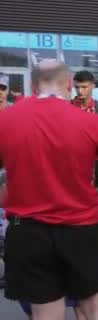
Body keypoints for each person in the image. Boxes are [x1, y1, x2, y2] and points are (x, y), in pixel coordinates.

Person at [0, 60, 98, 320]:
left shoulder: (5, 119)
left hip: (28, 230)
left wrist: (6, 197)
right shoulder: (91, 122)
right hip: (82, 227)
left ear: (32, 85)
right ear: (68, 84)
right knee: (94, 305)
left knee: (45, 311)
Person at [72, 71, 98, 217]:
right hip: (73, 163)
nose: (80, 91)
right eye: (77, 87)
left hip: (96, 164)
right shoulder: (68, 107)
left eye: (84, 87)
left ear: (92, 87)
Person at [0, 73, 9, 290]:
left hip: (9, 175)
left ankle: (11, 273)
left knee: (8, 229)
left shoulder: (14, 113)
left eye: (2, 88)